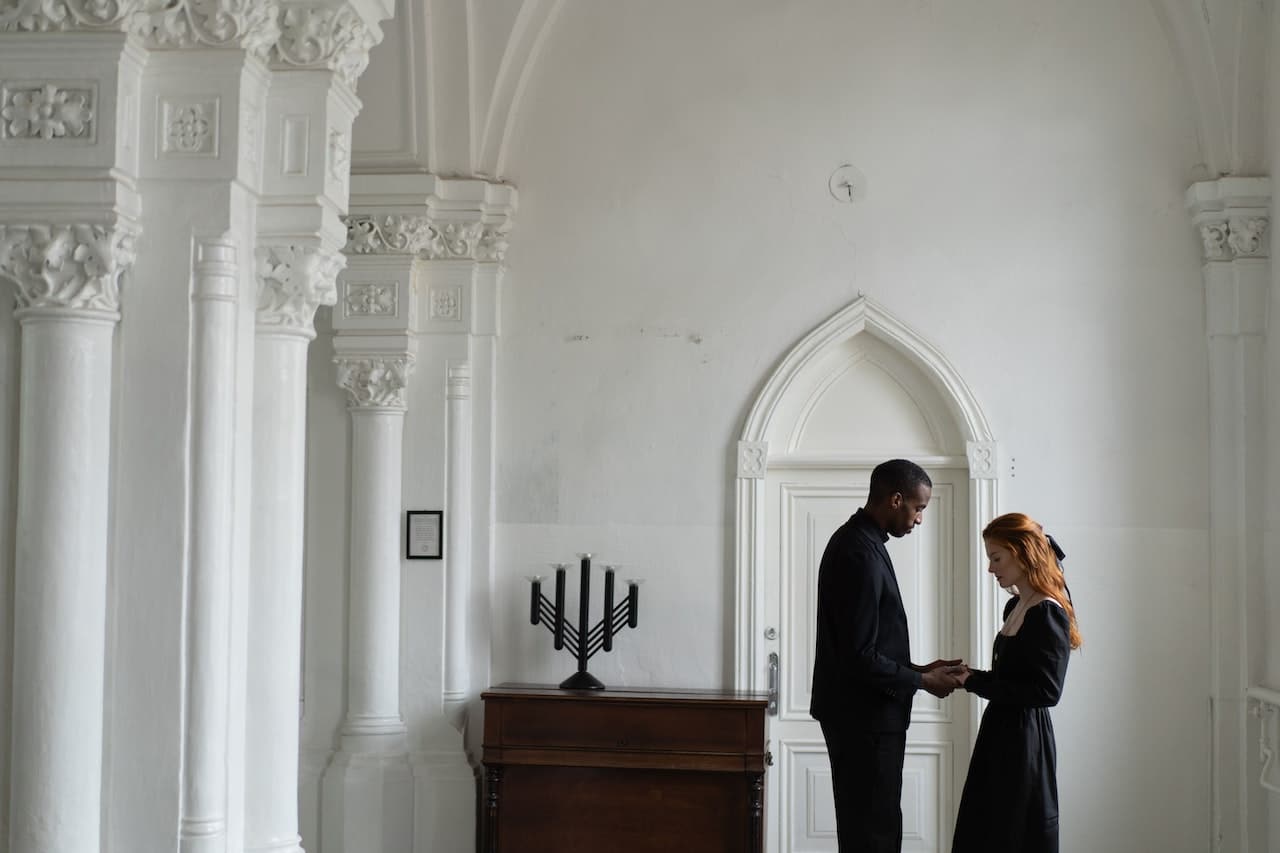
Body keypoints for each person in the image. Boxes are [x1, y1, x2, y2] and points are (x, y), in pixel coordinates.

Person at [809, 458, 966, 853]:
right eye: (919, 508)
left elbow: (867, 648)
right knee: (873, 835)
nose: (919, 519)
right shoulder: (859, 552)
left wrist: (920, 668)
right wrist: (922, 681)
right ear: (896, 499)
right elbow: (859, 656)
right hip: (865, 722)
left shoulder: (861, 542)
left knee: (873, 829)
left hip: (865, 719)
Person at [951, 512, 1082, 853]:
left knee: (1012, 830)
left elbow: (1045, 691)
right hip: (1002, 730)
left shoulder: (1047, 610)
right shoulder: (1016, 606)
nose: (991, 569)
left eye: (997, 558)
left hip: (1025, 740)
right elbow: (1013, 678)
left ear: (1021, 552)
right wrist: (970, 676)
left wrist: (975, 684)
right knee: (989, 826)